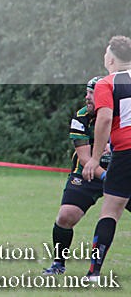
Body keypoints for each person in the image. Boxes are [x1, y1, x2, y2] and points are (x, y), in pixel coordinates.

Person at [43, 76, 131, 275]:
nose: (87, 97)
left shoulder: (123, 116)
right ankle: (58, 263)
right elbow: (85, 159)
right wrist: (109, 179)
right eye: (87, 92)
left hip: (121, 172)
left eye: (93, 93)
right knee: (66, 216)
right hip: (89, 175)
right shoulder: (81, 117)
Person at [82, 35, 131, 281]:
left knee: (110, 211)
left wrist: (95, 156)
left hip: (126, 151)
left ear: (110, 58)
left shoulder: (106, 83)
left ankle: (94, 272)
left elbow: (103, 118)